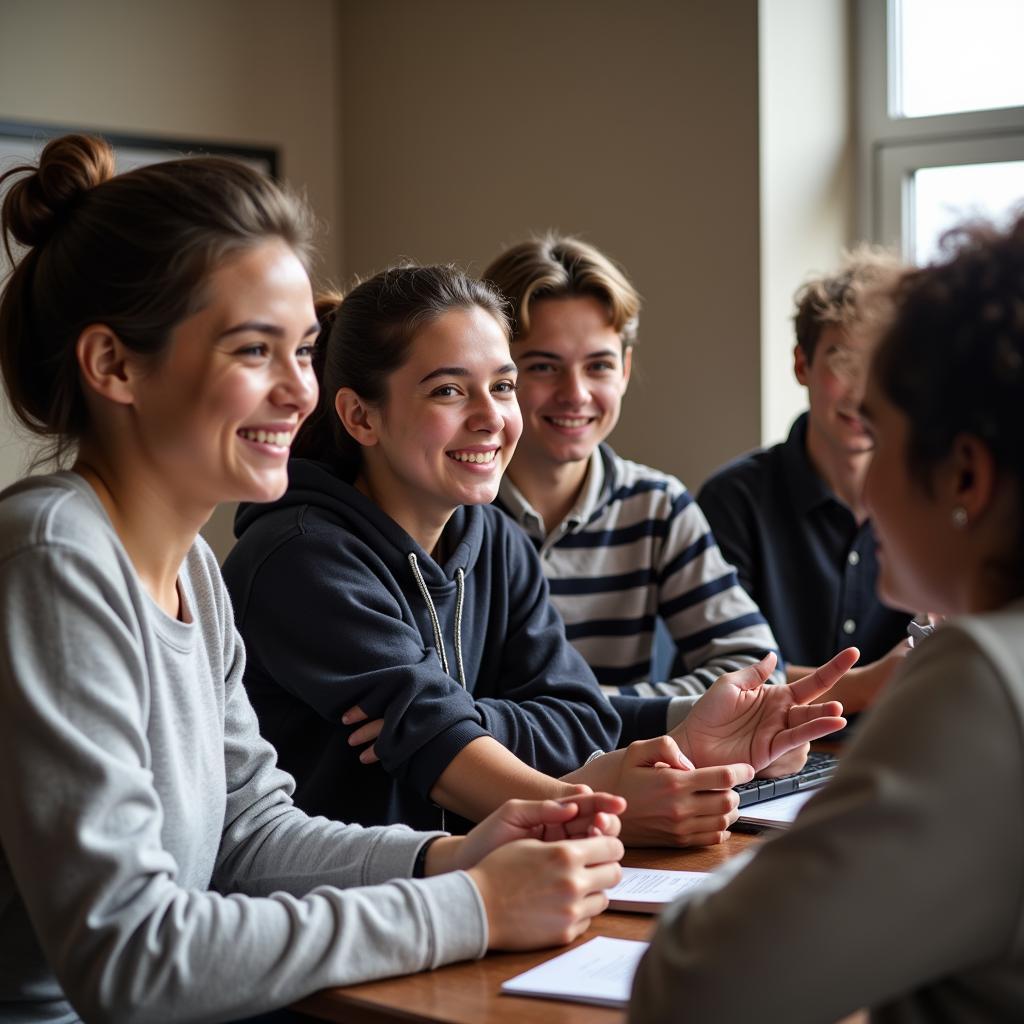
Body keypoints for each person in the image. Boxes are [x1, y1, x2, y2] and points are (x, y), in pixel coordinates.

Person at [0, 134, 630, 1024]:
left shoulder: (195, 579)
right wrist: (473, 907)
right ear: (114, 366)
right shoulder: (55, 560)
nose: (299, 393)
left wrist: (458, 858)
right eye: (255, 351)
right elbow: (129, 960)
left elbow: (250, 838)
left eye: (302, 352)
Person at [223, 262, 852, 848]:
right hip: (348, 905)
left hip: (487, 875)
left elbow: (579, 719)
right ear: (361, 416)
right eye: (448, 391)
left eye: (501, 385)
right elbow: (444, 759)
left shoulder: (495, 539)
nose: (491, 418)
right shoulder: (299, 556)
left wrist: (461, 719)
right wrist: (608, 811)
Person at [630, 215, 1024, 1022]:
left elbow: (693, 986)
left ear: (967, 477)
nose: (863, 483)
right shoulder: (736, 496)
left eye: (879, 437)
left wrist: (808, 842)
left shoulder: (982, 678)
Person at [481, 235, 785, 726]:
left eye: (598, 365)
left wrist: (580, 705)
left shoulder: (657, 506)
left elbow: (761, 674)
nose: (575, 394)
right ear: (497, 375)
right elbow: (437, 709)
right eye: (543, 366)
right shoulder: (449, 509)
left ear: (624, 370)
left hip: (630, 782)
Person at [698, 250, 915, 713]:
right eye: (842, 359)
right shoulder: (734, 500)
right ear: (802, 365)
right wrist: (870, 684)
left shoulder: (930, 500)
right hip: (767, 764)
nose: (861, 391)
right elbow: (722, 675)